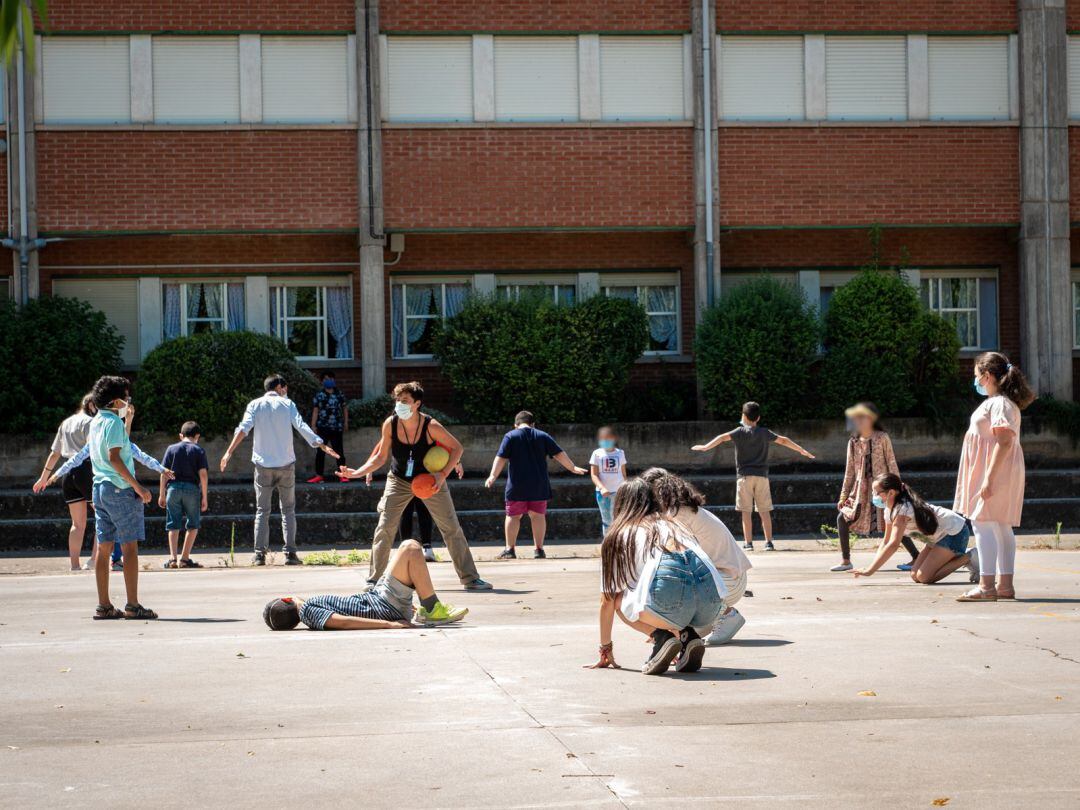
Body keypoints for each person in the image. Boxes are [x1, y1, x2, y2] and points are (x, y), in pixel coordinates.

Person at [337, 381, 492, 590]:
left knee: (451, 527)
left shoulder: (431, 426)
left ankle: (470, 578)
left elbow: (457, 448)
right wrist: (357, 472)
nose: (399, 404)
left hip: (429, 480)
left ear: (417, 404)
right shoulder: (390, 424)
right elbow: (381, 457)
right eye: (398, 400)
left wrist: (442, 475)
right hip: (398, 479)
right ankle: (374, 580)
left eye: (405, 401)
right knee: (384, 527)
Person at [586, 479, 727, 676]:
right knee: (678, 587)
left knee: (619, 600)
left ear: (621, 505)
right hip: (711, 605)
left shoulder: (618, 535)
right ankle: (687, 636)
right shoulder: (675, 525)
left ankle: (661, 637)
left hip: (672, 603)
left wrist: (605, 647)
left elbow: (606, 601)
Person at [220, 373, 340, 566]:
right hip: (286, 465)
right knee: (288, 511)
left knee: (262, 510)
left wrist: (228, 452)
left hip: (262, 466)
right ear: (278, 388)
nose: (285, 391)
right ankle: (290, 554)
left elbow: (243, 428)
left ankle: (259, 555)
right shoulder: (288, 404)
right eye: (284, 388)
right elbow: (301, 426)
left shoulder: (254, 405)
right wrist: (321, 444)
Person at [80, 377, 167, 620]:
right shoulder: (114, 424)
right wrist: (138, 487)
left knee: (104, 547)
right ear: (116, 400)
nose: (128, 401)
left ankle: (104, 605)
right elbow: (115, 458)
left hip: (100, 489)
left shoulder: (96, 422)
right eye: (126, 397)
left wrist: (127, 419)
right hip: (119, 489)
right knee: (129, 546)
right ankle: (132, 604)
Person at [954, 353, 1034, 602]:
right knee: (999, 525)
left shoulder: (999, 403)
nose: (976, 381)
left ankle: (987, 586)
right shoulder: (1002, 403)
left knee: (983, 522)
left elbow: (1004, 439)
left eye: (977, 376)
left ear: (987, 376)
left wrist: (988, 477)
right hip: (998, 469)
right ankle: (1004, 585)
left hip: (993, 470)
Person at [642, 468, 752, 646]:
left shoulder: (675, 516)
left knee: (668, 580)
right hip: (728, 578)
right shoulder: (683, 510)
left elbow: (674, 563)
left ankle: (726, 614)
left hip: (727, 581)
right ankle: (705, 620)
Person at [691, 401, 815, 552]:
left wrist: (705, 447)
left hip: (743, 477)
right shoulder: (764, 433)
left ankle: (748, 543)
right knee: (765, 511)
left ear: (743, 416)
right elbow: (783, 440)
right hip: (762, 477)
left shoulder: (738, 432)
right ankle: (769, 542)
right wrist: (801, 450)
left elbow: (722, 438)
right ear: (758, 418)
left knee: (746, 512)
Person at [267, 540, 468, 630]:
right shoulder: (308, 610)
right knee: (410, 548)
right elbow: (343, 621)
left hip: (380, 599)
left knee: (408, 551)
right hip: (383, 603)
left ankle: (429, 607)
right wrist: (389, 624)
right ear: (287, 599)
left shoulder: (309, 614)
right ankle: (432, 609)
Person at [828, 402, 918, 573]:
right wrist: (843, 496)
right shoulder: (853, 442)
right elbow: (849, 470)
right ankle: (846, 560)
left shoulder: (882, 437)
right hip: (860, 493)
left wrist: (898, 488)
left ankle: (916, 556)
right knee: (843, 517)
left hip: (884, 490)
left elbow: (891, 462)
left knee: (894, 522)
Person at [485, 411, 587, 560]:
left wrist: (493, 476)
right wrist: (572, 467)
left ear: (515, 425)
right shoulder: (542, 436)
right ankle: (539, 550)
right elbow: (559, 453)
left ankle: (510, 549)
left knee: (513, 516)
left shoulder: (510, 436)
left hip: (516, 485)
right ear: (533, 424)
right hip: (539, 484)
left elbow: (500, 458)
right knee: (538, 516)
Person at [852, 473, 973, 584]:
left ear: (891, 493)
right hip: (936, 538)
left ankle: (968, 557)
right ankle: (957, 557)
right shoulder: (889, 510)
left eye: (877, 493)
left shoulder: (902, 510)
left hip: (954, 532)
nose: (874, 496)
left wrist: (870, 571)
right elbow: (886, 541)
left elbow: (894, 544)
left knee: (924, 577)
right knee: (915, 576)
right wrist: (870, 567)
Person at [33, 394, 98, 571]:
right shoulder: (90, 423)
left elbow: (55, 453)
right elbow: (91, 450)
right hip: (86, 469)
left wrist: (43, 478)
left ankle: (74, 565)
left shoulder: (66, 423)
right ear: (91, 405)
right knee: (104, 516)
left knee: (77, 524)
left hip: (67, 473)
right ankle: (93, 560)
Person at [159, 421, 209, 569]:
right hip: (191, 489)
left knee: (173, 524)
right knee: (193, 524)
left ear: (181, 436)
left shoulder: (171, 449)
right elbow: (203, 474)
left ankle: (173, 559)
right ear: (197, 436)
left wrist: (162, 493)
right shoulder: (199, 450)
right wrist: (204, 496)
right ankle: (185, 559)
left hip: (173, 489)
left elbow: (164, 473)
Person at [306, 370, 348, 483]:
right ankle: (319, 475)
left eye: (330, 378)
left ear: (334, 380)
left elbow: (344, 408)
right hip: (322, 428)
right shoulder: (319, 395)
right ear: (322, 381)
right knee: (320, 452)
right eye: (325, 379)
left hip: (337, 427)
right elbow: (315, 410)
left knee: (339, 452)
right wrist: (313, 426)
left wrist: (346, 423)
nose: (328, 381)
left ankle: (343, 475)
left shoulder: (339, 394)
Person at [589, 425, 627, 538]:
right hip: (602, 494)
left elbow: (624, 473)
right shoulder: (596, 453)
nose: (606, 441)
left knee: (618, 519)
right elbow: (594, 474)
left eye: (608, 438)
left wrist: (626, 487)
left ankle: (618, 542)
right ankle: (608, 544)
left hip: (618, 492)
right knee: (606, 520)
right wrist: (602, 488)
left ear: (614, 438)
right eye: (603, 438)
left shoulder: (620, 453)